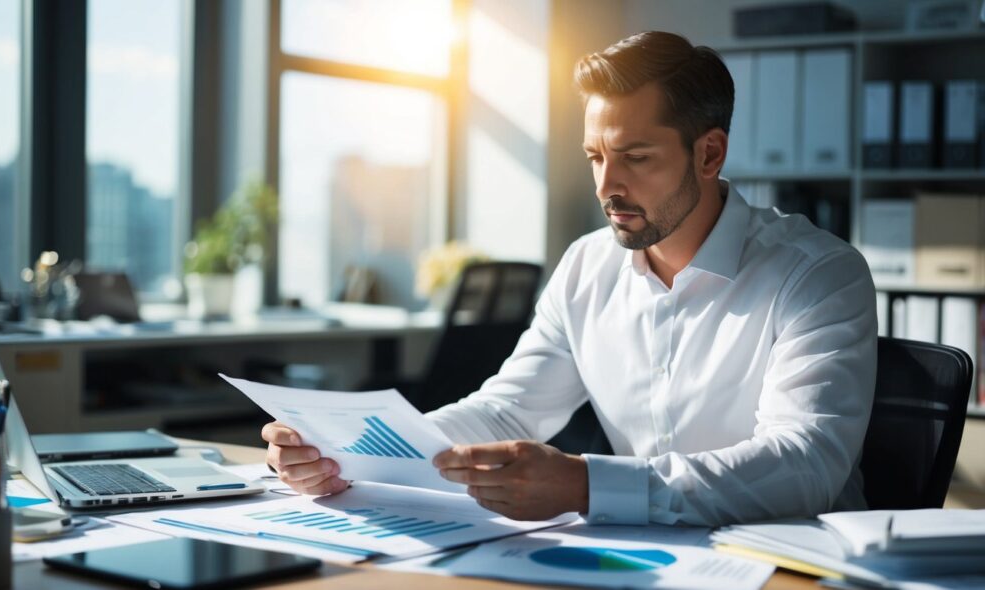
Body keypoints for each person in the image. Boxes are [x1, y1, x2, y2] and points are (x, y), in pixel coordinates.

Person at [262, 31, 877, 527]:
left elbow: (806, 462)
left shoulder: (816, 273)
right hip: (653, 554)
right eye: (595, 157)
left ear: (709, 154)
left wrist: (587, 484)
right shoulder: (587, 265)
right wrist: (349, 454)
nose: (608, 185)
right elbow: (507, 413)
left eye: (636, 157)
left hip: (789, 561)